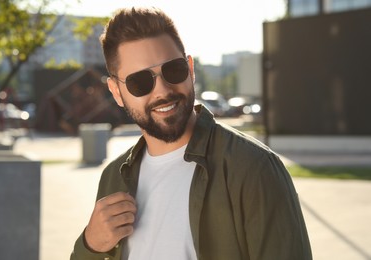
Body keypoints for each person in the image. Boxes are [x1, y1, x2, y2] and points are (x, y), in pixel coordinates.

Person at [71, 7, 312, 260]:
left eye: (173, 70)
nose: (163, 90)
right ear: (117, 92)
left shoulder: (253, 168)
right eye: (140, 81)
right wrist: (91, 245)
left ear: (190, 68)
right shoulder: (114, 177)